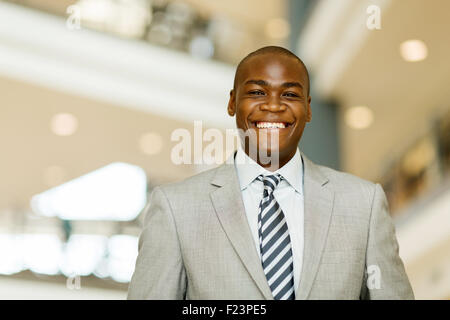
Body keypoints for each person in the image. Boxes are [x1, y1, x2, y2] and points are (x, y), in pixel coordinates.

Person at [127, 46, 414, 300]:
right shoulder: (176, 208)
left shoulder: (364, 204)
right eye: (256, 92)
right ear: (232, 102)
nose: (274, 105)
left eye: (289, 94)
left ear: (308, 108)